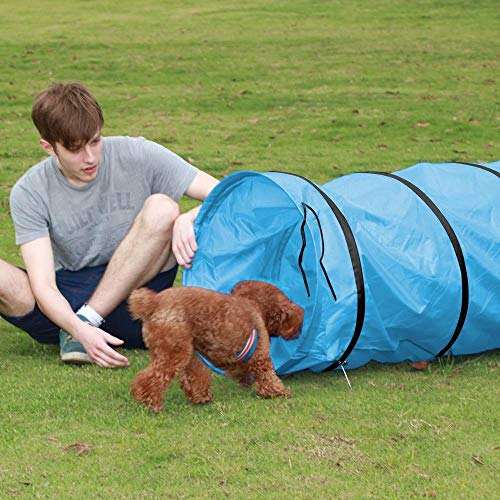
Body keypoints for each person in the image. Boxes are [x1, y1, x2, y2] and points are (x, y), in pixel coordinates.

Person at [0, 82, 219, 368]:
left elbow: (226, 193)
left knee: (164, 208)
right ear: (49, 147)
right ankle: (79, 330)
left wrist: (190, 217)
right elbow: (43, 286)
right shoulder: (29, 191)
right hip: (66, 306)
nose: (90, 157)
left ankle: (87, 320)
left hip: (137, 301)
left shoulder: (137, 154)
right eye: (75, 149)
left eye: (95, 141)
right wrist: (78, 329)